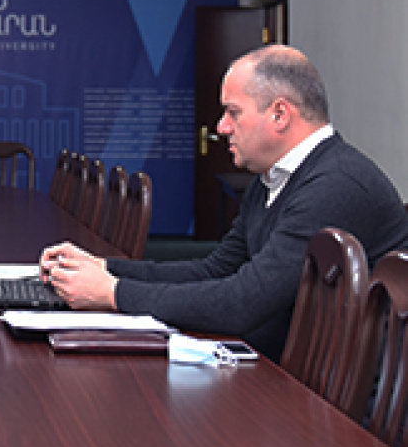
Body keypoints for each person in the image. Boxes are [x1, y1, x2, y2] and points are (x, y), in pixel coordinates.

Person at [41, 45, 408, 362]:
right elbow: (216, 270)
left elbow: (244, 302)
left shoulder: (335, 186)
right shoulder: (271, 180)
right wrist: (106, 268)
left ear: (280, 115)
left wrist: (113, 293)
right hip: (289, 370)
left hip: (332, 404)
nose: (221, 127)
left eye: (233, 112)